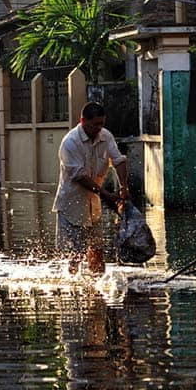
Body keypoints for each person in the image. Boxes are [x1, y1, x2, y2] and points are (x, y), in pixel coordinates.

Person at [52, 102, 130, 275]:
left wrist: (124, 187)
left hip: (93, 205)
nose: (98, 128)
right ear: (82, 121)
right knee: (76, 255)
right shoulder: (70, 142)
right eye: (94, 124)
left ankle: (97, 293)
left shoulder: (106, 136)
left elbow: (118, 161)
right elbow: (80, 177)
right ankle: (72, 291)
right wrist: (106, 195)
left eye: (101, 124)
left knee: (97, 251)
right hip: (71, 205)